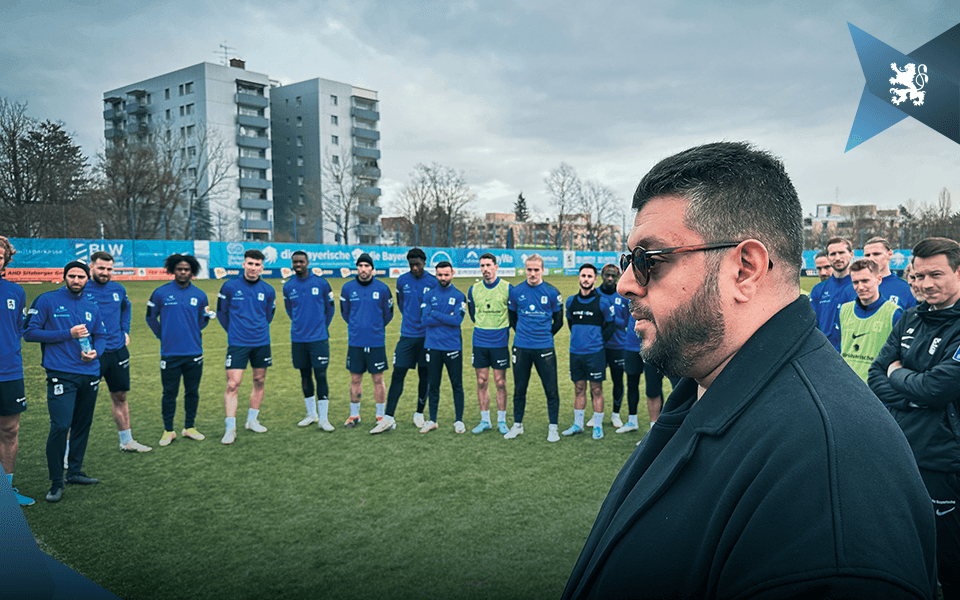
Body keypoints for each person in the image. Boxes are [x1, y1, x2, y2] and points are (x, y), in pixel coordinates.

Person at [563, 141, 935, 598]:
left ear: (745, 269)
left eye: (648, 260)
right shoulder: (707, 383)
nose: (624, 283)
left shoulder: (827, 477)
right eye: (627, 261)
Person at [869, 237, 960, 599]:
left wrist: (899, 375)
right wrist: (914, 390)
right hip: (901, 449)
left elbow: (938, 389)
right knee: (904, 546)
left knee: (949, 560)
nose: (924, 284)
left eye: (935, 274)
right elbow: (876, 376)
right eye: (917, 276)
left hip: (943, 460)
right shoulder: (910, 316)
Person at [24, 261, 108, 503]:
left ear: (87, 279)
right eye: (72, 276)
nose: (76, 280)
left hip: (90, 372)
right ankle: (56, 482)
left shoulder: (91, 303)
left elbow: (100, 335)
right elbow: (29, 333)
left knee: (82, 424)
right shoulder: (47, 300)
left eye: (81, 276)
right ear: (65, 277)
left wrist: (96, 352)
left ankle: (74, 472)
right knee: (61, 426)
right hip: (61, 373)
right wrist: (67, 334)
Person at [85, 251, 150, 452]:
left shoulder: (118, 289)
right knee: (82, 403)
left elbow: (126, 308)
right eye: (101, 268)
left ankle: (127, 441)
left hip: (117, 351)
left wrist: (125, 331)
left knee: (120, 396)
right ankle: (69, 452)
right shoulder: (81, 288)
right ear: (91, 267)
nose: (105, 272)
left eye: (109, 269)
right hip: (92, 354)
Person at [146, 254, 213, 446]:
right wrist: (163, 335)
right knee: (169, 393)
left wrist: (194, 329)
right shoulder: (160, 293)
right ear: (173, 270)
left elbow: (203, 319)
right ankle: (168, 430)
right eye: (179, 269)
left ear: (192, 272)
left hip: (193, 352)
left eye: (186, 269)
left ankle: (189, 427)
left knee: (192, 392)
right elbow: (151, 318)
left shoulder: (200, 295)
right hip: (170, 352)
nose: (183, 272)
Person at [217, 249, 276, 444]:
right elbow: (221, 314)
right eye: (250, 263)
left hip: (261, 342)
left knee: (259, 380)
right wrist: (234, 331)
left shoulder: (268, 290)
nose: (253, 268)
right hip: (237, 343)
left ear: (262, 267)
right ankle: (230, 428)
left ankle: (252, 420)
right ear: (243, 264)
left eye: (257, 264)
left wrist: (257, 330)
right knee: (233, 384)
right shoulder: (229, 286)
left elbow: (269, 315)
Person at [505, 254, 563, 442]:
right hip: (521, 347)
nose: (532, 273)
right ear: (525, 270)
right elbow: (512, 318)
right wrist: (524, 334)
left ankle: (553, 428)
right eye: (529, 270)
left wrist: (544, 335)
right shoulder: (516, 291)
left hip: (544, 347)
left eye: (536, 270)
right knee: (520, 388)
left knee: (551, 389)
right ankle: (517, 425)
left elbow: (559, 321)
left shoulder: (552, 292)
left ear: (542, 270)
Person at [380, 248, 436, 430]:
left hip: (427, 337)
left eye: (417, 265)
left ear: (424, 263)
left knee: (424, 376)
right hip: (407, 336)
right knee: (398, 374)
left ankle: (419, 413)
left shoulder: (433, 282)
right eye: (411, 264)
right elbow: (402, 304)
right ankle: (388, 417)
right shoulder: (402, 280)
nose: (414, 268)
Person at [282, 251, 336, 431]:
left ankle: (324, 418)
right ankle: (311, 414)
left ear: (308, 262)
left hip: (319, 338)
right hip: (298, 338)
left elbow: (330, 309)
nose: (298, 265)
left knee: (321, 375)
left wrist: (321, 326)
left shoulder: (321, 283)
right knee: (304, 375)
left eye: (301, 262)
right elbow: (290, 310)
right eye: (295, 262)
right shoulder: (288, 286)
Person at [562, 264, 614, 440]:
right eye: (583, 275)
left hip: (595, 353)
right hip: (575, 353)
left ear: (594, 279)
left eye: (589, 276)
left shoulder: (603, 302)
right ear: (579, 277)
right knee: (578, 388)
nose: (586, 279)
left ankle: (597, 426)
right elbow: (571, 324)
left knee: (596, 389)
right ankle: (578, 424)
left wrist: (597, 342)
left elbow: (610, 327)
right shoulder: (571, 301)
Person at [340, 253, 393, 428]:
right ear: (357, 268)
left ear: (372, 268)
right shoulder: (347, 288)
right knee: (355, 379)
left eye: (366, 266)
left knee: (378, 379)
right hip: (355, 341)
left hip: (376, 341)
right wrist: (358, 326)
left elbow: (388, 313)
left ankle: (380, 416)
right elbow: (345, 313)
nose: (363, 269)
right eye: (360, 266)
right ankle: (354, 415)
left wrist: (374, 326)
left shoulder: (383, 288)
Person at [0, 237, 33, 506]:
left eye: (0, 256)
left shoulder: (16, 292)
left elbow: (19, 328)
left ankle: (6, 490)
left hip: (9, 371)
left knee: (10, 430)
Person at [416, 261, 467, 433]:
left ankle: (459, 420)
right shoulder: (429, 295)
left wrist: (435, 313)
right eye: (440, 275)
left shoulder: (460, 296)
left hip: (453, 347)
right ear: (436, 274)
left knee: (456, 385)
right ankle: (433, 420)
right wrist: (446, 316)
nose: (443, 278)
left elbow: (457, 320)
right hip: (432, 346)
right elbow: (424, 320)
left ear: (452, 273)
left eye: (446, 274)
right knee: (433, 385)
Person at [833, 259, 902, 381]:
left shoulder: (894, 313)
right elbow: (839, 345)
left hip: (875, 388)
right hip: (846, 384)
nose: (860, 287)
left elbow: (899, 355)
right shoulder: (844, 310)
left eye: (865, 281)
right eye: (855, 282)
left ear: (879, 279)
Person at [466, 253, 511, 435]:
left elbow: (513, 313)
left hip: (499, 342)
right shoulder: (473, 289)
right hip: (480, 341)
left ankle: (501, 420)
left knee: (500, 382)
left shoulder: (508, 288)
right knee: (481, 381)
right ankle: (485, 420)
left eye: (488, 265)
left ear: (496, 266)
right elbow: (472, 313)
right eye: (482, 265)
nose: (485, 269)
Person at [594, 264, 627, 429]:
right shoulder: (595, 295)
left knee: (618, 380)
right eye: (607, 275)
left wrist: (612, 320)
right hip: (597, 345)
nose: (609, 279)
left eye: (613, 276)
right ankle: (596, 414)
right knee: (595, 381)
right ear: (602, 275)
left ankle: (616, 414)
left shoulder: (623, 296)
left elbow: (628, 321)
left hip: (618, 345)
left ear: (617, 277)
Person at [810, 236, 857, 351]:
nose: (837, 258)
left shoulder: (860, 287)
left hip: (850, 352)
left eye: (841, 252)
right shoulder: (818, 289)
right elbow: (811, 324)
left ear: (851, 254)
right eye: (833, 254)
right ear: (828, 257)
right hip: (823, 352)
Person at [863, 235, 916, 310]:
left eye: (876, 254)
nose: (871, 258)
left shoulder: (906, 289)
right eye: (867, 255)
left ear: (890, 254)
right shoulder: (855, 287)